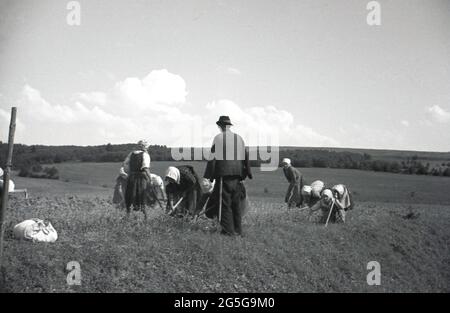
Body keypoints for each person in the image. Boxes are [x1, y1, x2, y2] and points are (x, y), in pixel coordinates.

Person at [203, 116, 252, 236]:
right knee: (235, 204)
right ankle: (238, 231)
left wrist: (209, 176)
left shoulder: (218, 138)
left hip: (224, 175)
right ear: (229, 126)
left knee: (225, 204)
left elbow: (213, 158)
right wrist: (247, 172)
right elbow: (246, 155)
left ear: (220, 126)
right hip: (238, 175)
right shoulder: (239, 138)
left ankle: (228, 232)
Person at [120, 140, 153, 219]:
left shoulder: (131, 154)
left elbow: (124, 164)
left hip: (131, 177)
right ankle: (146, 218)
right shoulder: (145, 155)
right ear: (145, 147)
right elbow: (145, 168)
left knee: (130, 196)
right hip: (141, 178)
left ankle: (128, 216)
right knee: (142, 196)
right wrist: (150, 179)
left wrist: (127, 173)